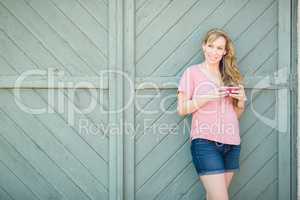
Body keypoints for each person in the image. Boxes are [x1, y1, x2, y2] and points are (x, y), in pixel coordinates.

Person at [177, 28, 247, 200]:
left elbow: (236, 115)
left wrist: (241, 101)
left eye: (219, 48)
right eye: (211, 46)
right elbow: (182, 109)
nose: (214, 52)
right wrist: (208, 96)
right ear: (204, 47)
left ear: (225, 52)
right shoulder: (191, 73)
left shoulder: (230, 76)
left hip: (232, 144)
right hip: (205, 143)